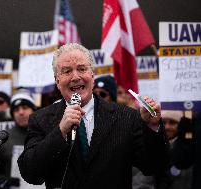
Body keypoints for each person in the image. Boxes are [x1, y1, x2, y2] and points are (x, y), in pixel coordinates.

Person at [17, 43, 169, 189]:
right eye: (67, 71)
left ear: (92, 75)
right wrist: (60, 132)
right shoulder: (40, 119)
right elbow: (31, 174)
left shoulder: (126, 116)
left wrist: (152, 127)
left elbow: (153, 166)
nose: (75, 77)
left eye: (81, 69)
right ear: (57, 80)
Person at [0, 89, 40, 189]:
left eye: (25, 108)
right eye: (16, 110)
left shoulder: (46, 134)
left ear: (33, 110)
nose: (21, 112)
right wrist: (0, 181)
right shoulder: (2, 139)